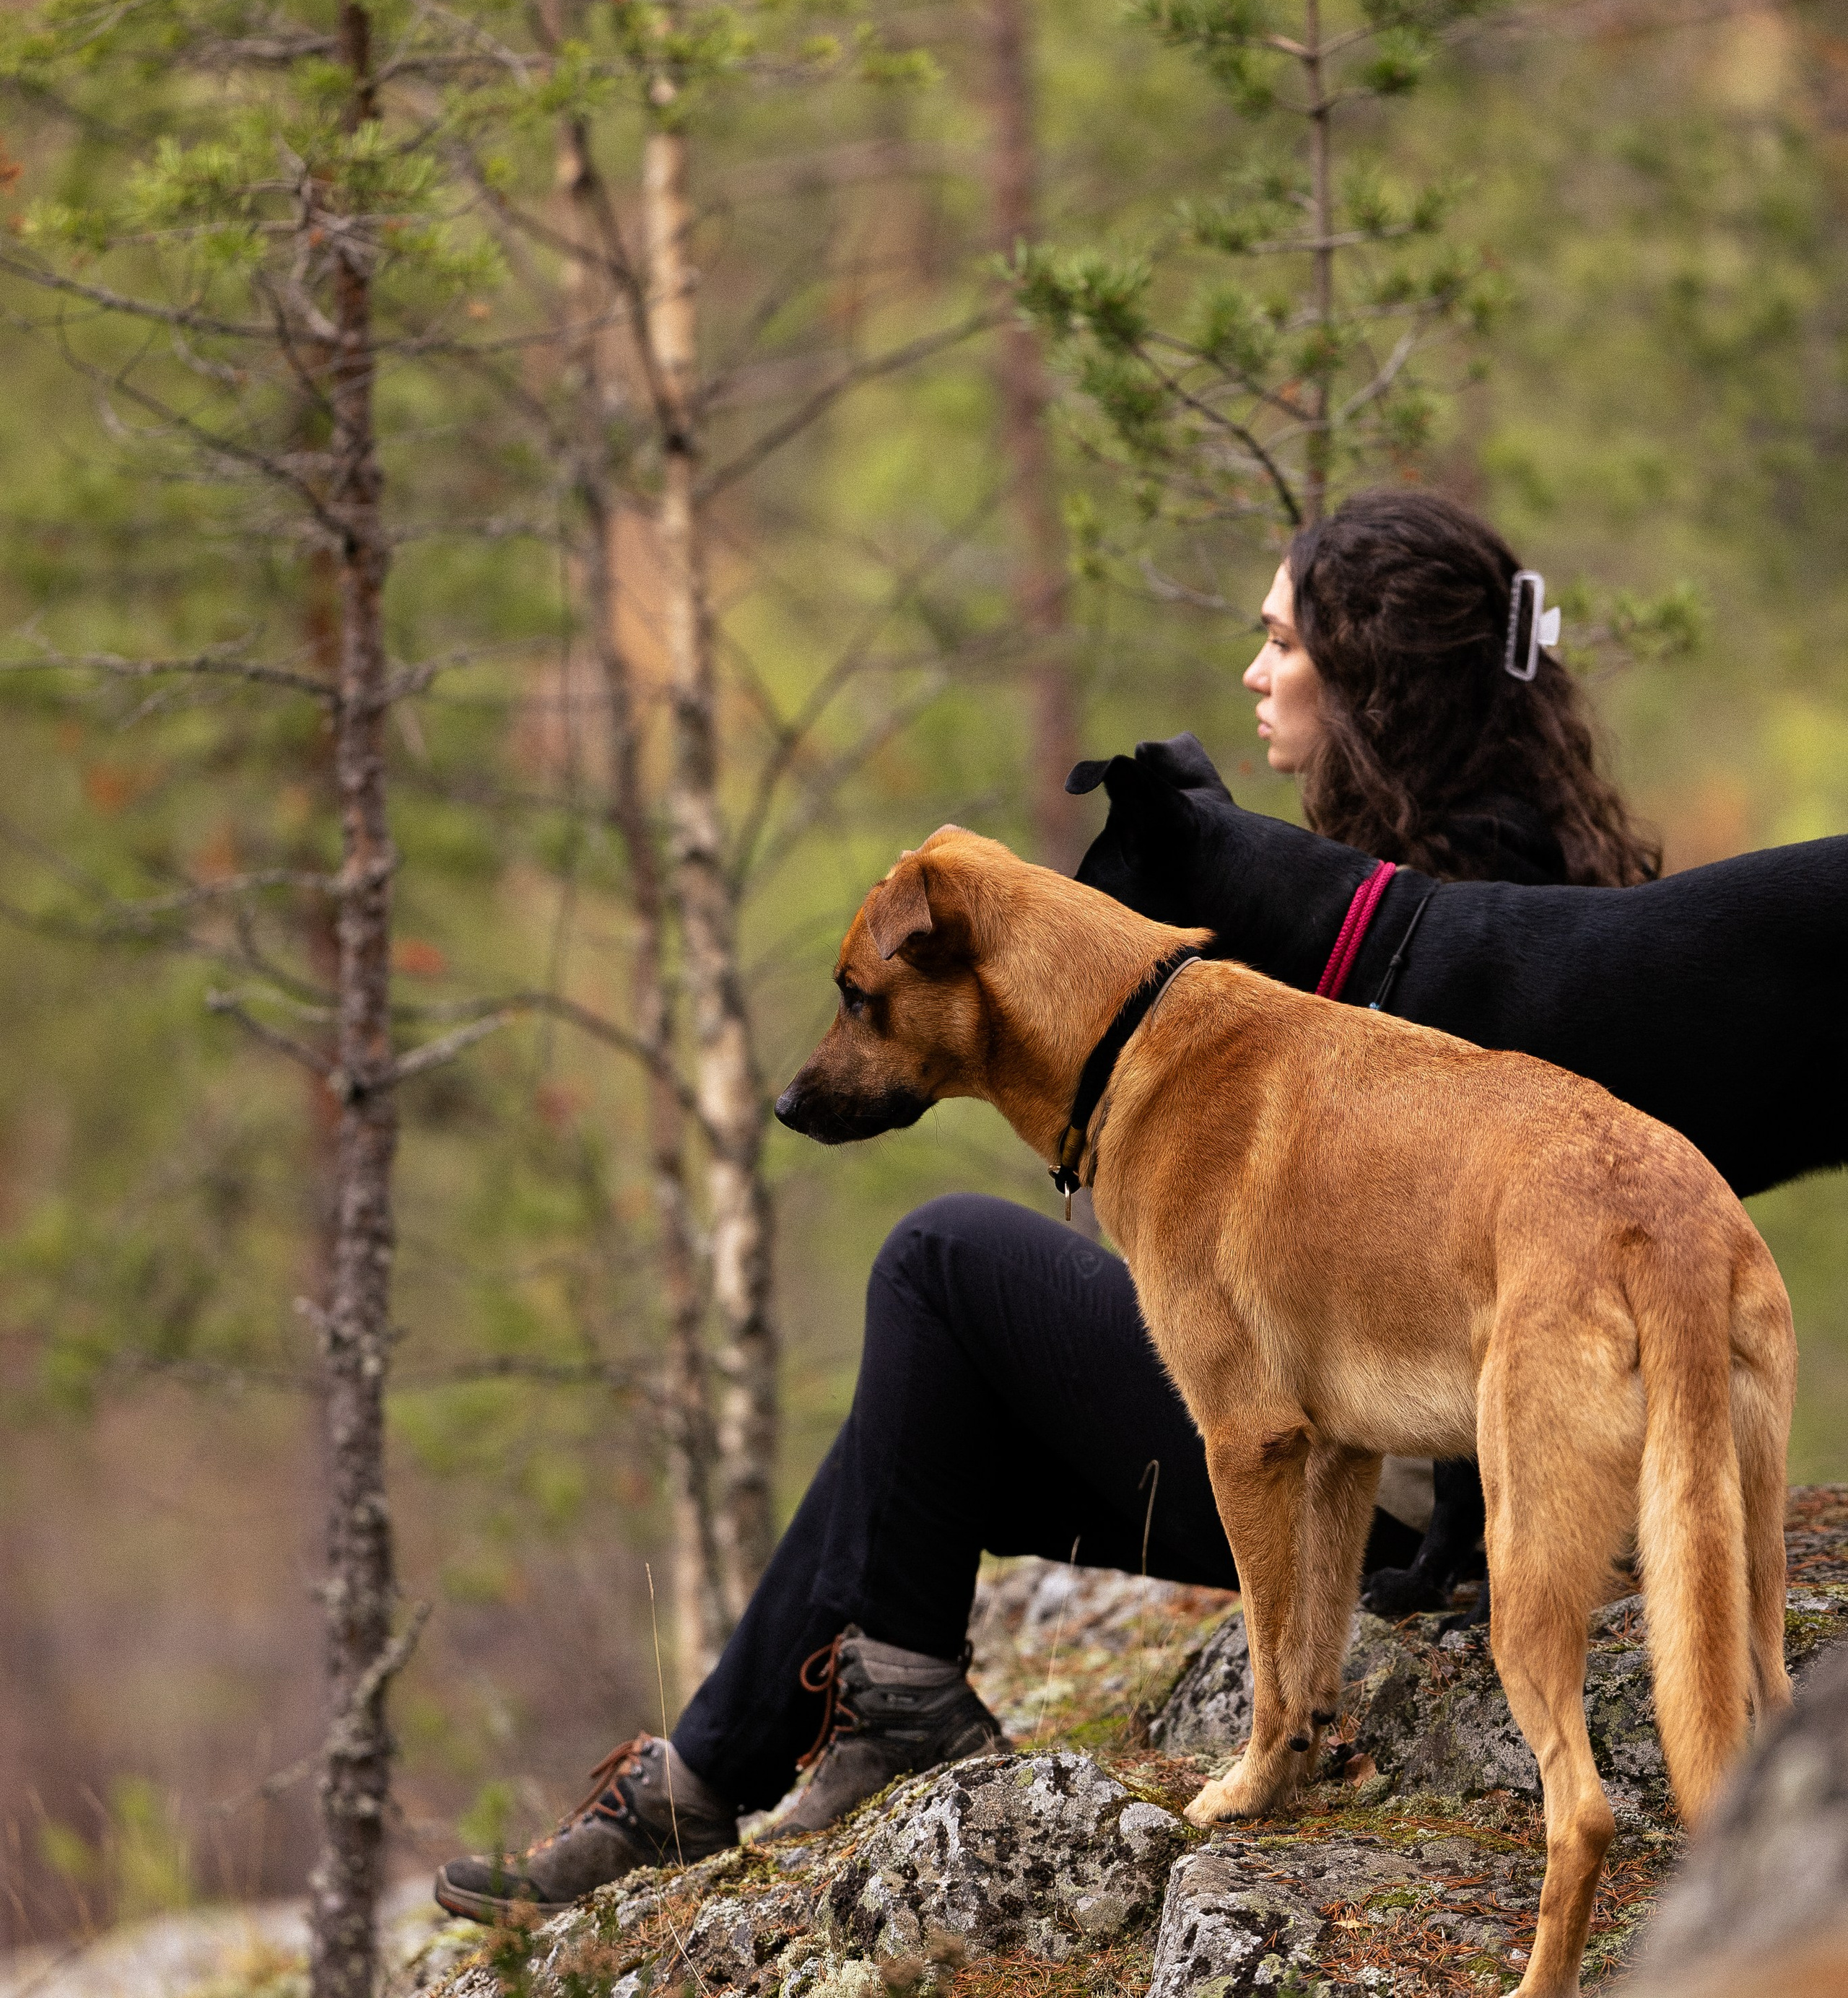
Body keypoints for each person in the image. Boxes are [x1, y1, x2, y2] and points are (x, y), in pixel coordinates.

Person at [435, 488, 1660, 1924]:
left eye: (1282, 642)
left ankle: (724, 1776)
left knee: (941, 1261)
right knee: (910, 1449)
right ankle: (746, 1762)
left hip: (1397, 1457)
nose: (1256, 672)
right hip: (1365, 1425)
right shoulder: (1409, 878)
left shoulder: (1460, 915)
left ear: (1372, 670)